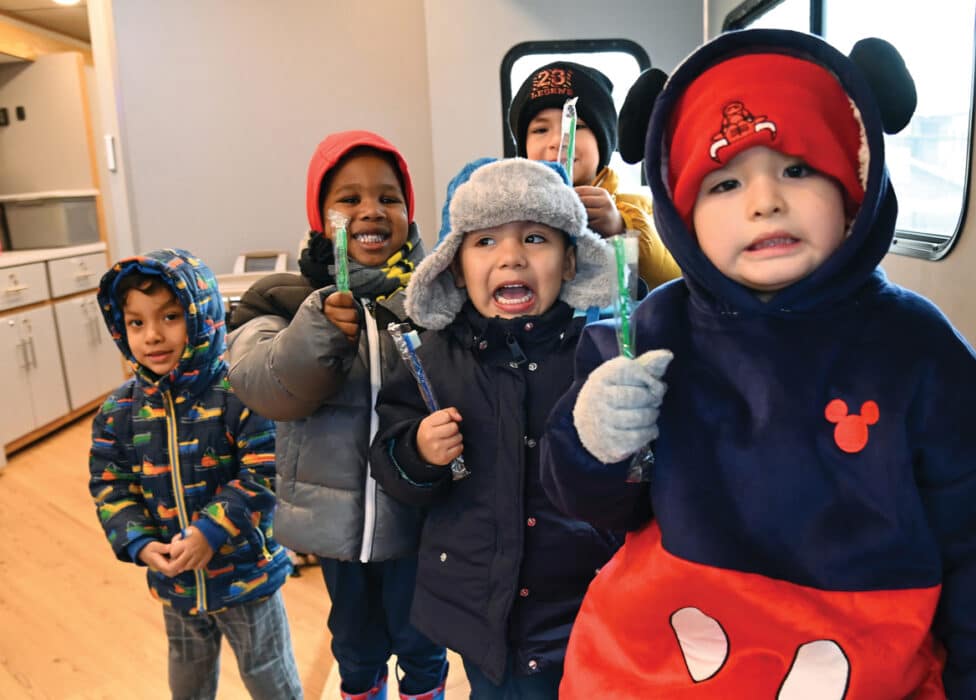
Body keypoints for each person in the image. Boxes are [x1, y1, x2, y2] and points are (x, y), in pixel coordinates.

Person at [540, 29, 976, 697]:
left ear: (854, 189)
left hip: (862, 659)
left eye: (797, 169)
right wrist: (593, 444)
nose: (765, 201)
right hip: (662, 661)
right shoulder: (647, 330)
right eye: (725, 181)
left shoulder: (918, 350)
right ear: (682, 210)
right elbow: (585, 503)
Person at [369, 157, 619, 698]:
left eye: (534, 238)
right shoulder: (430, 360)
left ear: (571, 261)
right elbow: (388, 460)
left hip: (587, 602)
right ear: (455, 267)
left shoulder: (599, 357)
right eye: (484, 242)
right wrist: (416, 452)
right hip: (477, 609)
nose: (510, 257)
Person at [226, 130, 448, 700]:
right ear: (321, 215)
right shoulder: (280, 296)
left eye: (389, 196)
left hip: (422, 520)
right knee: (355, 647)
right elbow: (263, 384)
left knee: (424, 645)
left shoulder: (439, 296)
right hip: (334, 528)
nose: (371, 209)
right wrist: (318, 332)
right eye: (348, 198)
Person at [89, 248, 301, 699]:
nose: (152, 336)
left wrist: (211, 530)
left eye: (170, 317)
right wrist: (140, 544)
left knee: (270, 677)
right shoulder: (118, 413)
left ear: (200, 315)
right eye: (136, 323)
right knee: (187, 682)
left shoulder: (239, 392)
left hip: (247, 578)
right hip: (177, 585)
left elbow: (265, 471)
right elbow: (111, 486)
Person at [509, 60, 681, 289]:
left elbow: (669, 279)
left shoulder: (641, 209)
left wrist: (620, 230)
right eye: (541, 130)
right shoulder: (510, 214)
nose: (559, 142)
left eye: (576, 127)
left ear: (603, 143)